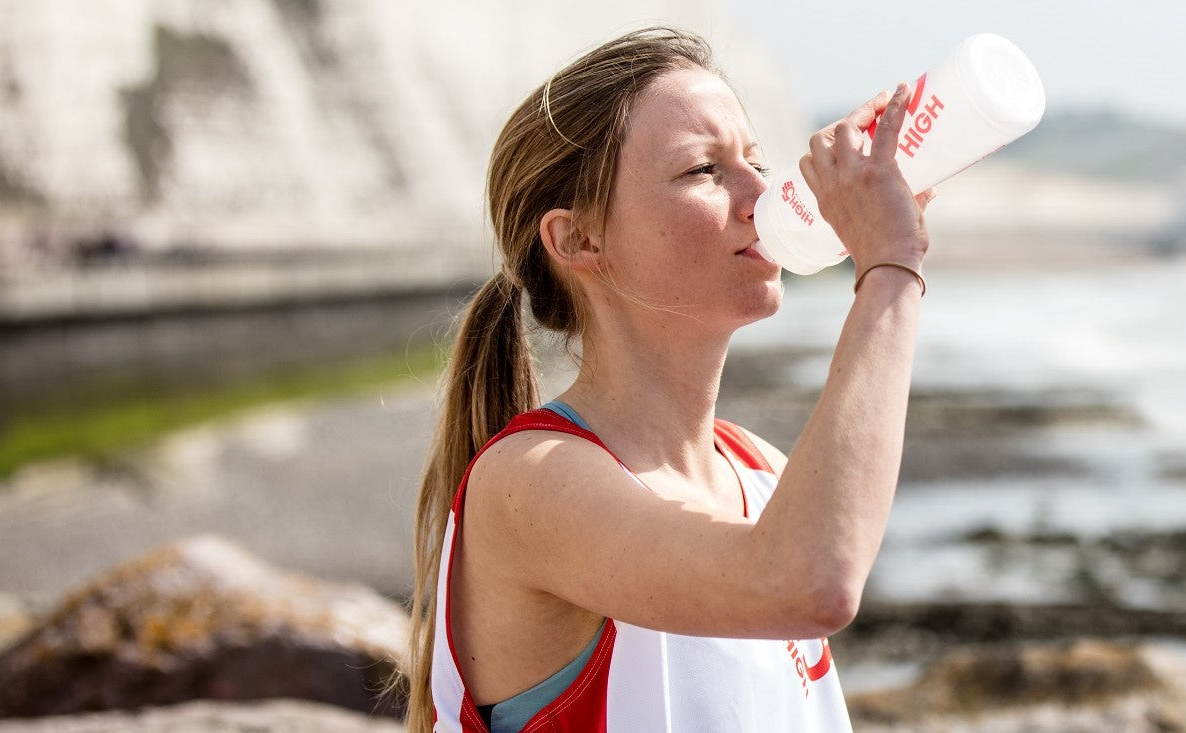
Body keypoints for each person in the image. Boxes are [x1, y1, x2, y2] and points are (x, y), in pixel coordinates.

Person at [400, 26, 934, 732]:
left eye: (755, 160)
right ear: (578, 240)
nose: (760, 194)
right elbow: (813, 582)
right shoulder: (529, 480)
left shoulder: (761, 473)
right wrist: (890, 268)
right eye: (704, 171)